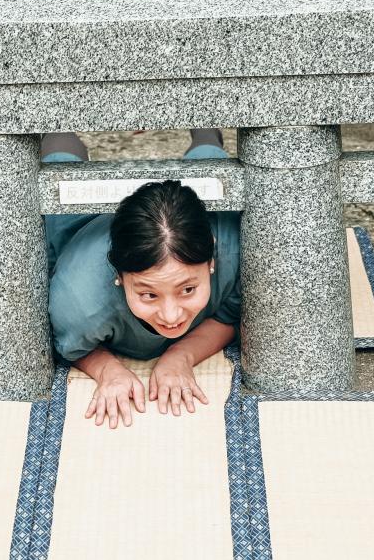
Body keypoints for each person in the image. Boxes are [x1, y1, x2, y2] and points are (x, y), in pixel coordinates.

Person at [40, 129, 241, 428]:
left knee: (210, 165)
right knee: (59, 164)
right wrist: (108, 370)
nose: (171, 315)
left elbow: (230, 315)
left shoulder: (234, 247)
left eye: (187, 289)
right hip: (80, 229)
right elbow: (71, 347)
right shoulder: (80, 302)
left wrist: (182, 355)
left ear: (212, 261)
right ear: (119, 277)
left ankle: (206, 137)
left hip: (189, 208)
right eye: (149, 295)